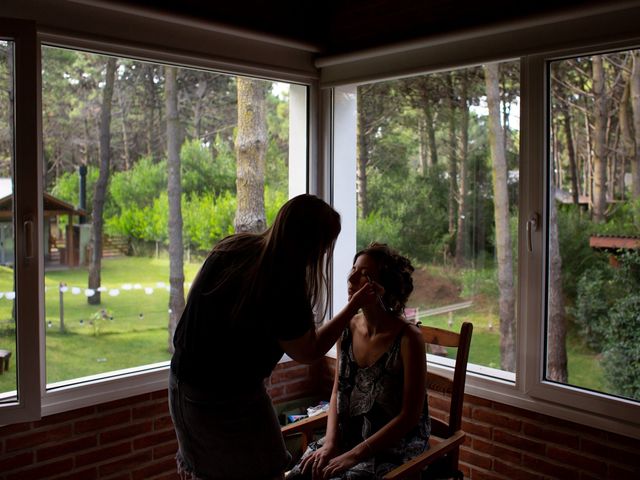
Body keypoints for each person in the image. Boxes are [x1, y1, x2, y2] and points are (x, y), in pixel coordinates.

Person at [168, 194, 378, 480]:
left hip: (183, 385)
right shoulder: (283, 283)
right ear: (311, 244)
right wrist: (352, 308)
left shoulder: (234, 248)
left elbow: (194, 309)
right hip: (222, 397)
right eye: (326, 246)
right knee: (264, 470)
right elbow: (308, 350)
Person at [286, 242, 430, 480]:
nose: (351, 278)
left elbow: (409, 417)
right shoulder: (348, 328)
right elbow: (337, 391)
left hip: (392, 448)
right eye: (353, 269)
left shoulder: (408, 338)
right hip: (348, 437)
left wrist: (354, 455)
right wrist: (331, 442)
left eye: (364, 274)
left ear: (382, 288)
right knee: (298, 475)